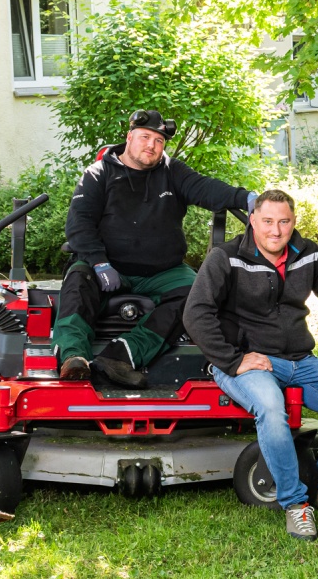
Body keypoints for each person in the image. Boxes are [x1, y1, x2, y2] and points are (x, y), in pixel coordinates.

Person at [185, 190, 318, 541]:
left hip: (299, 361)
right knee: (271, 409)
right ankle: (295, 503)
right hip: (247, 364)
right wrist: (233, 359)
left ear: (293, 222)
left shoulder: (309, 254)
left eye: (284, 221)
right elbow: (196, 313)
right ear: (252, 220)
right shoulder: (226, 257)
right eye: (267, 221)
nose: (276, 230)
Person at [57, 109, 253, 388]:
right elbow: (79, 224)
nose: (151, 145)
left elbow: (207, 189)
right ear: (129, 137)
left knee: (199, 294)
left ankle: (121, 356)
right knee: (77, 281)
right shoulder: (98, 174)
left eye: (159, 141)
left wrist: (248, 199)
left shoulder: (173, 172)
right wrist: (99, 262)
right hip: (106, 266)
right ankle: (73, 357)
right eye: (145, 137)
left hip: (163, 270)